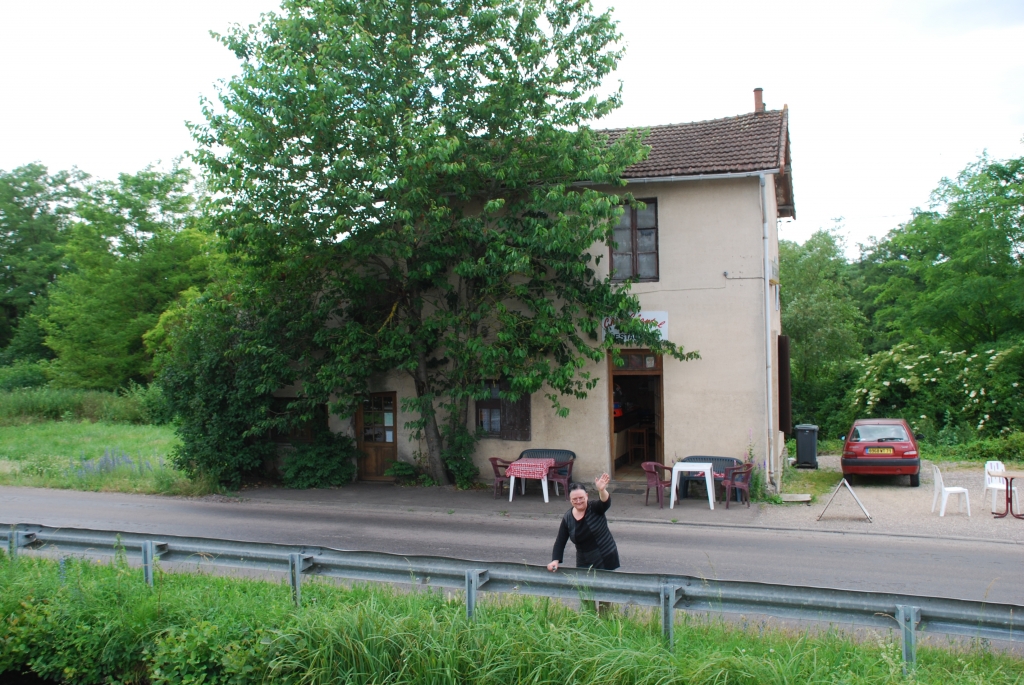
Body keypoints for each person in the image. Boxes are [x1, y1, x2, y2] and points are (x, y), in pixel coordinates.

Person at [547, 473, 620, 572]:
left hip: (605, 556)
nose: (578, 501)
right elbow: (560, 541)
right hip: (584, 561)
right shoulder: (568, 518)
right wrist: (555, 560)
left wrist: (602, 490)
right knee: (584, 587)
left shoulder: (594, 508)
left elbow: (605, 502)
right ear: (570, 500)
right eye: (574, 499)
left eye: (581, 498)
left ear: (586, 496)